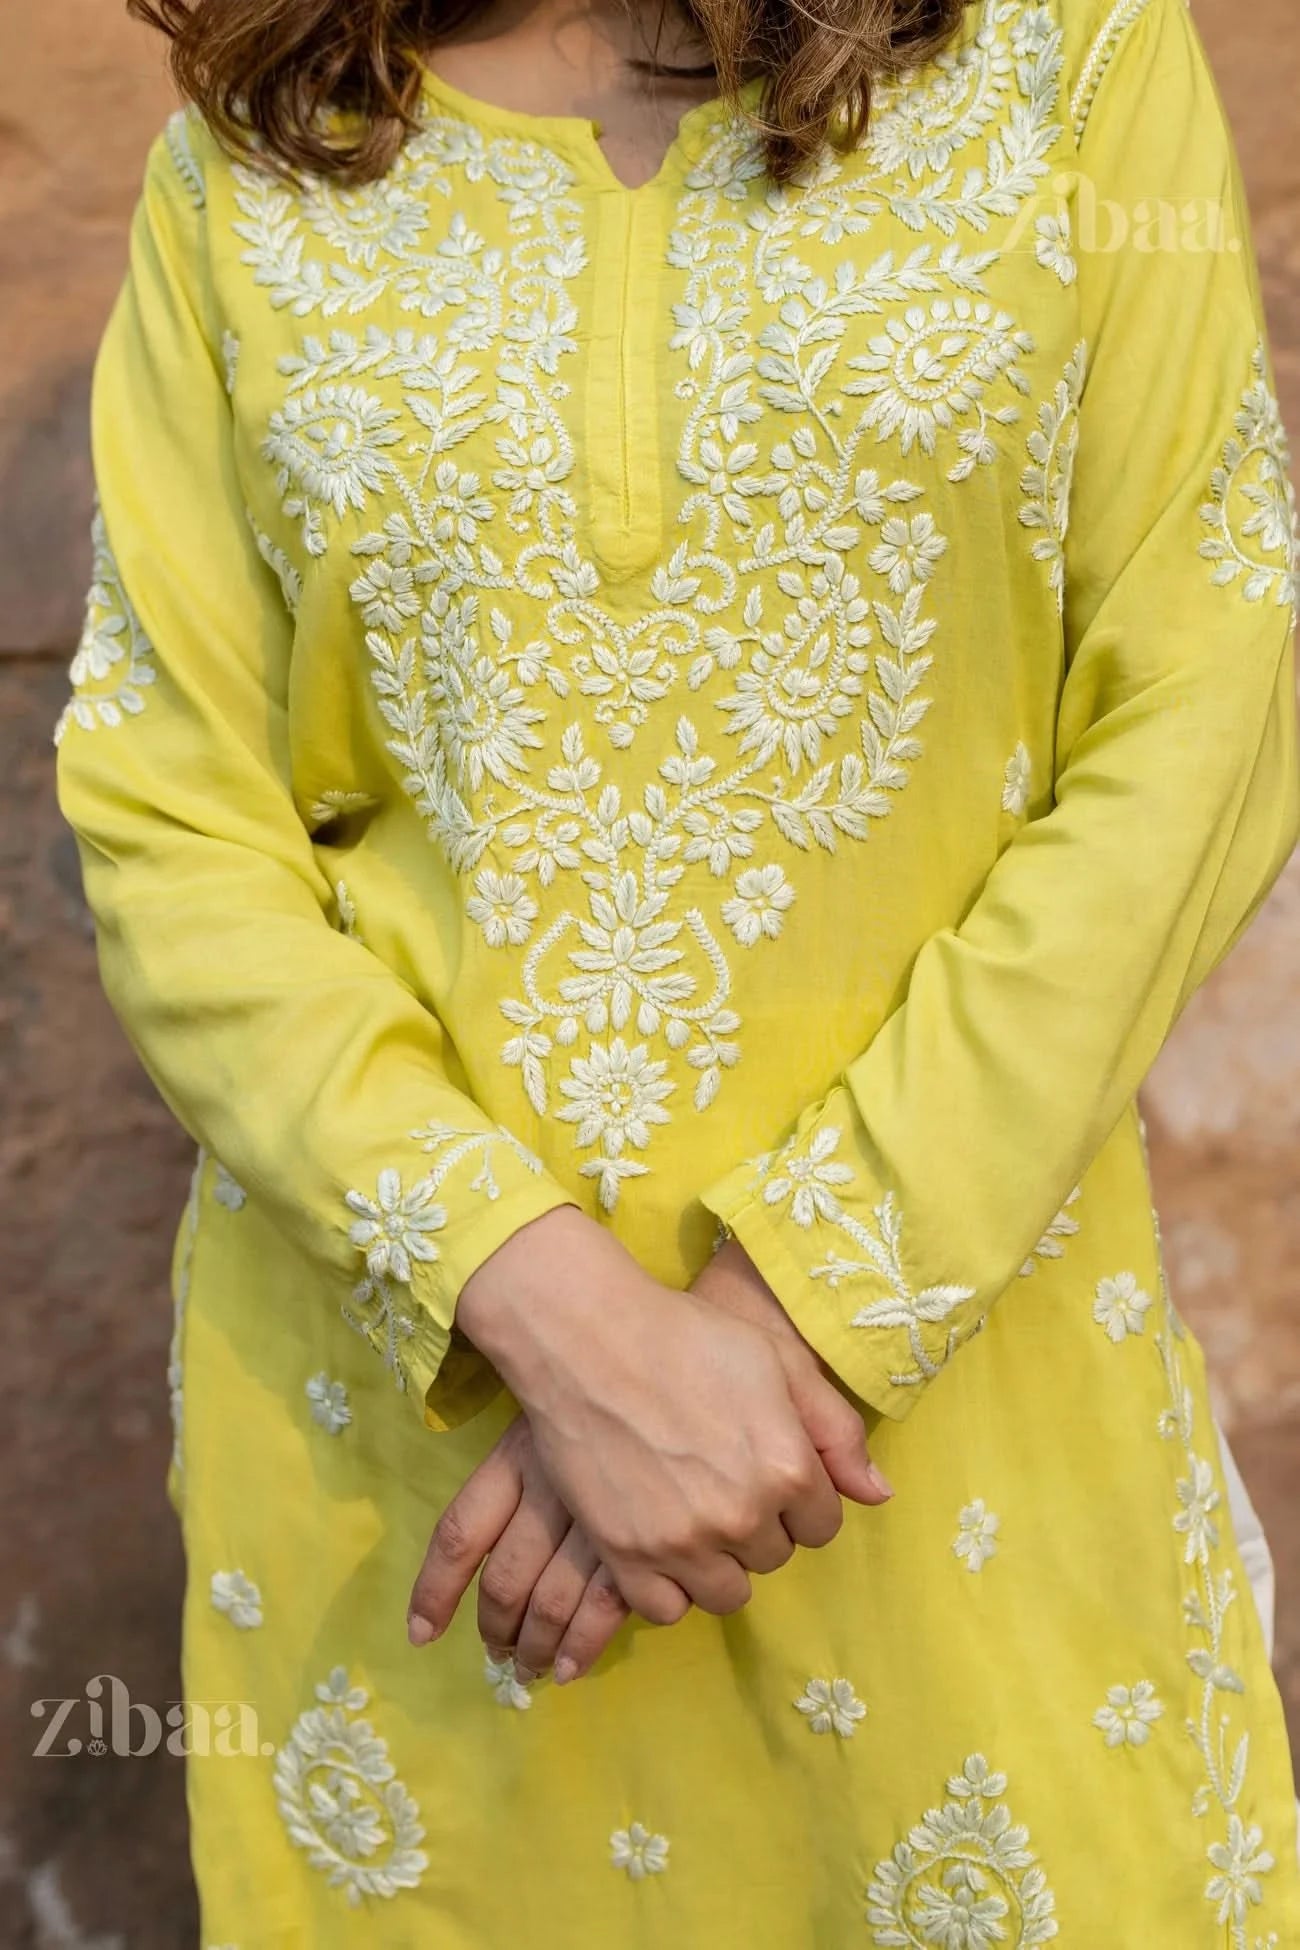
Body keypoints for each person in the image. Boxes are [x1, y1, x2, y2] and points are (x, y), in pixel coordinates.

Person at [54, 0, 1300, 1936]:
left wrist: (781, 1319)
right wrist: (551, 1314)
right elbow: (167, 819)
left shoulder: (1063, 62)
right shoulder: (263, 157)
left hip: (934, 1438)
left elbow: (1208, 697)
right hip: (425, 1489)